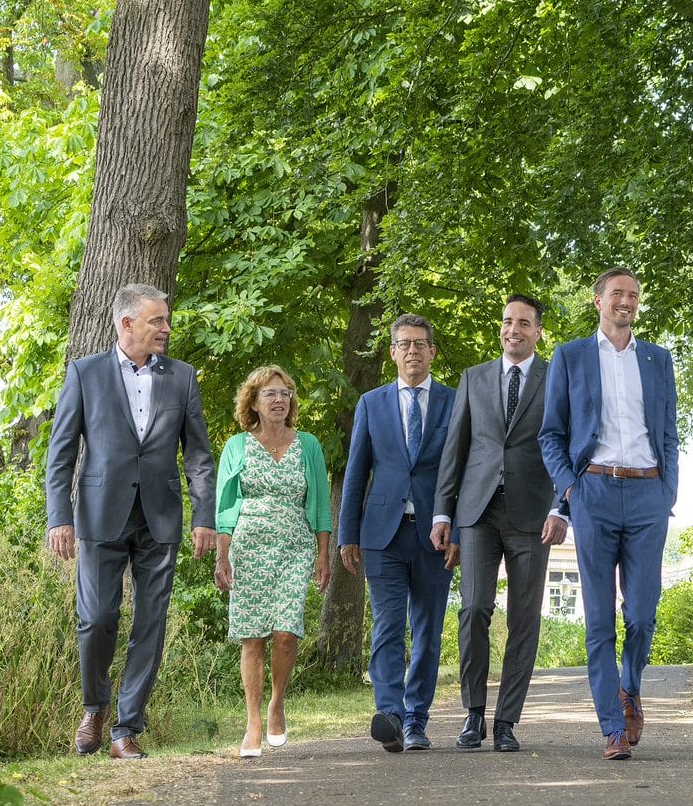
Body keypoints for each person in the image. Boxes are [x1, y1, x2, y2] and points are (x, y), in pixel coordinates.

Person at [45, 283, 217, 759]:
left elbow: (198, 455)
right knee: (97, 619)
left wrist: (205, 516)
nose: (166, 328)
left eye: (165, 320)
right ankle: (94, 707)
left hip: (160, 519)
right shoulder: (85, 374)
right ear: (127, 324)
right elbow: (60, 455)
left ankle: (126, 729)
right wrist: (59, 516)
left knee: (151, 622)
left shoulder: (182, 377)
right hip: (100, 516)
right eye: (157, 320)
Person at [539, 266, 679, 760]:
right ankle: (612, 726)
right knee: (598, 619)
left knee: (641, 614)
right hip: (593, 491)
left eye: (634, 295)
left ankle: (630, 686)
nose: (626, 301)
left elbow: (668, 434)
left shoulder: (658, 360)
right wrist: (571, 490)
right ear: (597, 300)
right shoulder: (571, 356)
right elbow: (550, 434)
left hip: (647, 495)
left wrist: (668, 493)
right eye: (617, 293)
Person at [432, 294, 569, 753]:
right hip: (477, 512)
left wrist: (560, 506)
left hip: (533, 515)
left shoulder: (557, 378)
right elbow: (456, 447)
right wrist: (442, 511)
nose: (514, 330)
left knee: (525, 617)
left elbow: (567, 449)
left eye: (524, 323)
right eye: (508, 322)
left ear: (538, 332)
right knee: (474, 609)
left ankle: (507, 720)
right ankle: (473, 715)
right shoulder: (473, 378)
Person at [339, 314, 457, 753]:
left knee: (427, 631)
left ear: (432, 351)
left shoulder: (453, 402)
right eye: (404, 344)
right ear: (392, 352)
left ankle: (416, 720)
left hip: (436, 535)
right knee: (387, 626)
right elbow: (356, 473)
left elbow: (462, 472)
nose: (412, 351)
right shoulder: (371, 403)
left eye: (420, 343)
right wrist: (347, 534)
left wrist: (459, 530)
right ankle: (389, 714)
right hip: (382, 534)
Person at [213, 366, 332, 757]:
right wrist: (223, 556)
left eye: (285, 394)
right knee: (252, 637)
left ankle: (277, 703)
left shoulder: (308, 445)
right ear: (254, 402)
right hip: (249, 547)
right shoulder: (237, 446)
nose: (279, 400)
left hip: (295, 546)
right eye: (270, 394)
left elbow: (318, 504)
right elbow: (226, 507)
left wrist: (323, 554)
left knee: (285, 633)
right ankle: (251, 722)